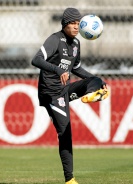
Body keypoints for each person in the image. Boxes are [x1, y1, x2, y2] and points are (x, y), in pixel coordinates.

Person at [31, 7, 109, 184]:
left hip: (64, 90)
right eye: (72, 23)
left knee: (95, 79)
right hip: (50, 93)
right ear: (65, 24)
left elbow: (76, 68)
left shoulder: (76, 44)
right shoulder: (55, 39)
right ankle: (70, 179)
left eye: (78, 23)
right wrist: (57, 69)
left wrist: (97, 79)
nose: (76, 27)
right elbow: (36, 59)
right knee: (65, 132)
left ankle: (92, 93)